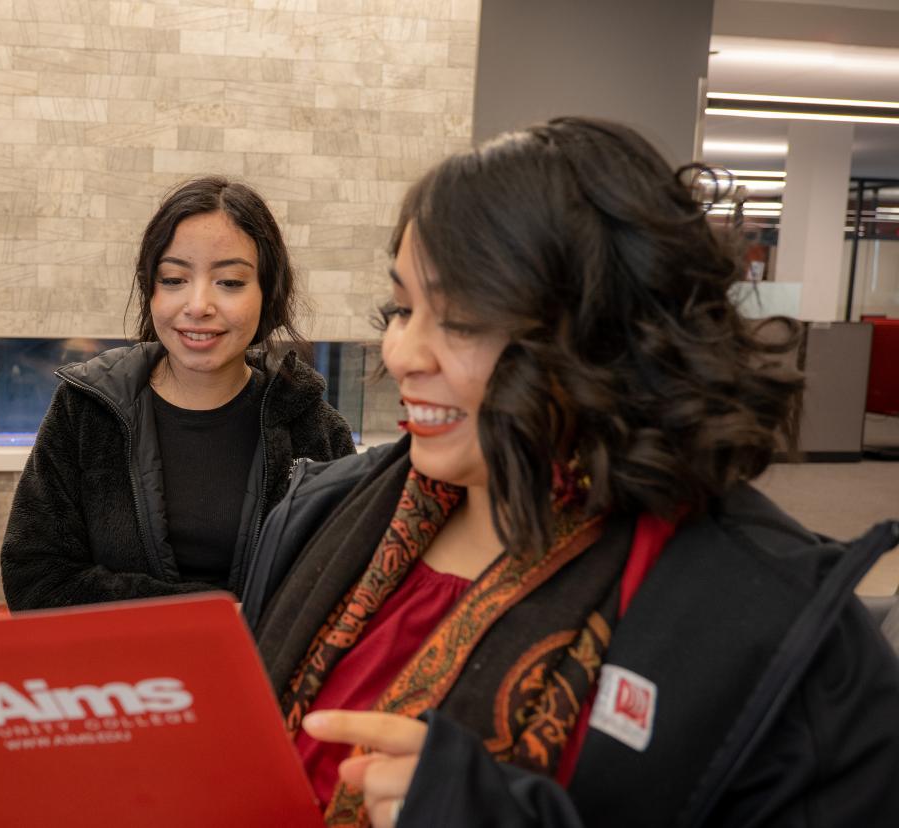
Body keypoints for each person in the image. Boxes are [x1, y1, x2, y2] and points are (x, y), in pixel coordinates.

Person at [242, 117, 899, 826]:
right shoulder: (326, 513)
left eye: (462, 319)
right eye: (403, 309)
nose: (401, 354)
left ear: (604, 337)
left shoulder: (783, 634)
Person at [1, 176, 357, 610]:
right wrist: (210, 614)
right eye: (173, 279)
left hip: (269, 658)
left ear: (269, 292)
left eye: (230, 282)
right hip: (122, 658)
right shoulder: (87, 409)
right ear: (149, 289)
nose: (198, 305)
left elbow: (350, 587)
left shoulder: (315, 428)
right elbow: (34, 579)